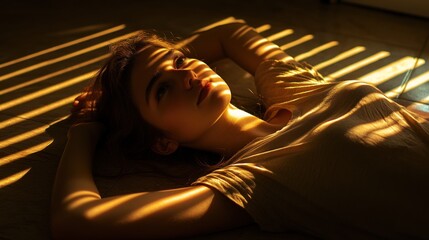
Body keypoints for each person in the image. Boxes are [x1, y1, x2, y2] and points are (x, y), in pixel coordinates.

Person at [51, 20, 429, 239]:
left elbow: (230, 33)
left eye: (181, 61)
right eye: (162, 88)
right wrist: (84, 132)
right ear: (163, 141)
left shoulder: (289, 88)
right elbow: (78, 221)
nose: (186, 73)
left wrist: (152, 59)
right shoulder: (255, 180)